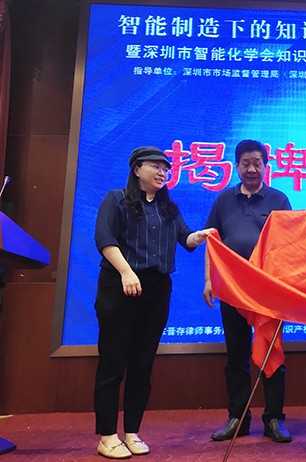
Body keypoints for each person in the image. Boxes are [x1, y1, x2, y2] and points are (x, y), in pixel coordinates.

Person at [93, 146, 214, 459]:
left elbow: (186, 239)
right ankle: (107, 435)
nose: (163, 172)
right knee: (113, 362)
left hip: (157, 289)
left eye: (166, 168)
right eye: (156, 166)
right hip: (120, 285)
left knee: (143, 364)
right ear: (137, 169)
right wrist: (126, 272)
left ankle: (132, 432)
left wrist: (200, 236)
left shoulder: (168, 208)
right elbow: (105, 239)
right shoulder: (116, 199)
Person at [203, 139, 293, 443]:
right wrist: (208, 280)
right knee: (236, 354)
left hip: (268, 290)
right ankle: (237, 418)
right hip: (232, 288)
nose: (252, 168)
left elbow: (288, 245)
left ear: (266, 166)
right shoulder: (223, 200)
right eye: (246, 163)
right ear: (237, 166)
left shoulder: (279, 199)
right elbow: (212, 241)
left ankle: (274, 419)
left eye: (257, 163)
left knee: (271, 351)